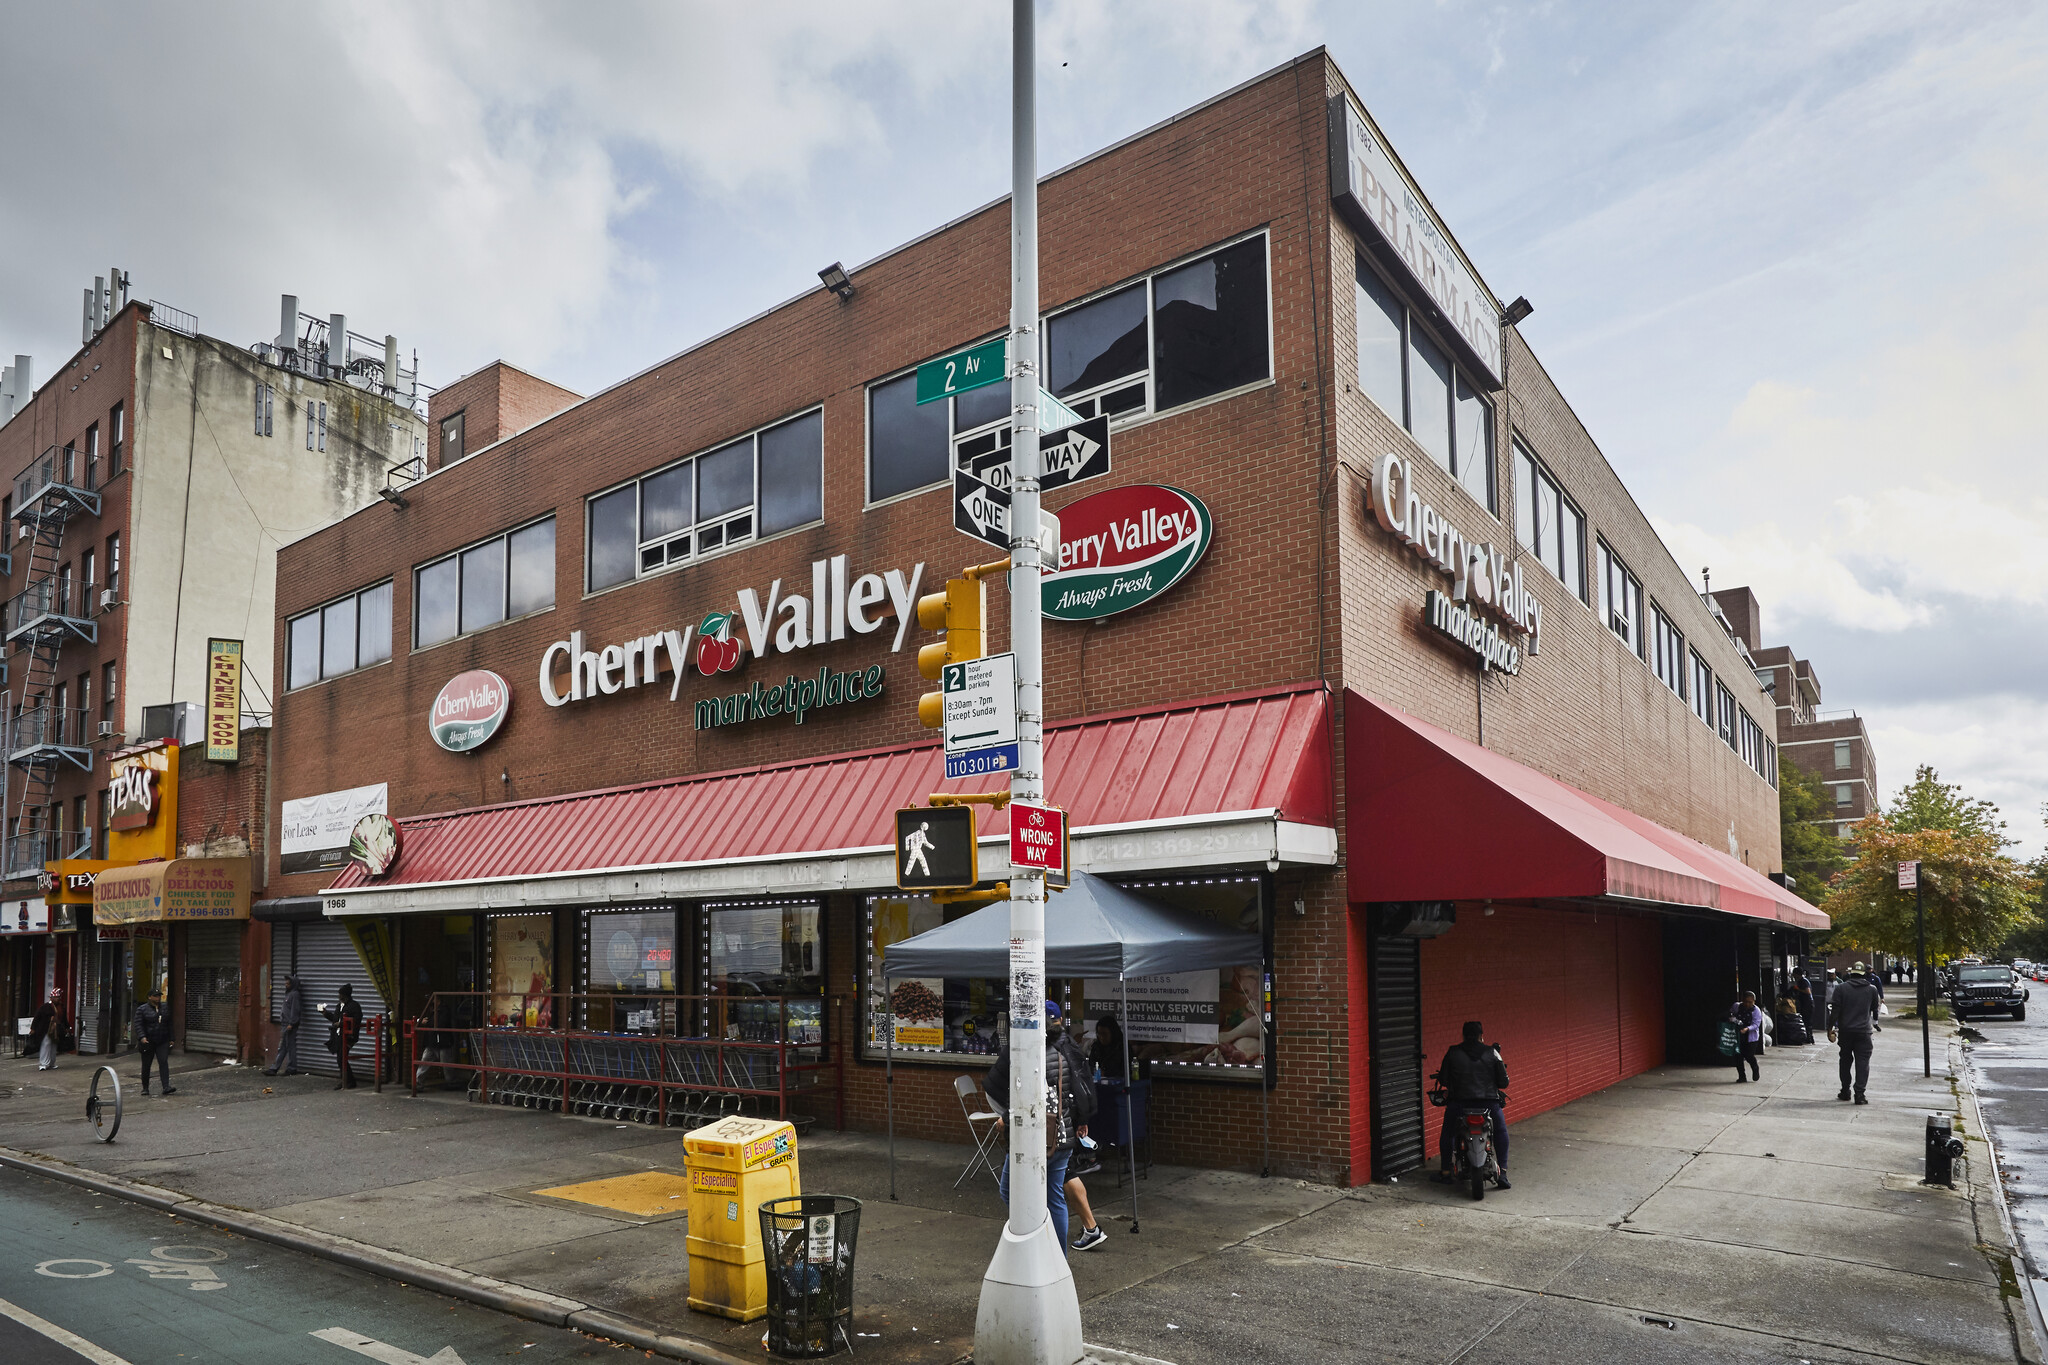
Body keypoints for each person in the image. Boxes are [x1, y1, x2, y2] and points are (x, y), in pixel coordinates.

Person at [985, 1000, 1096, 1254]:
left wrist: (1007, 1118)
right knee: (1055, 1196)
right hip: (1063, 1135)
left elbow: (1026, 1100)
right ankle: (1057, 1257)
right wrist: (1081, 1121)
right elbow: (1077, 1089)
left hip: (1034, 1138)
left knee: (1009, 1190)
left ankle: (1035, 1241)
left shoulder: (1029, 1055)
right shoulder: (1065, 1049)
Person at [1431, 1021, 1511, 1190]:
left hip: (1459, 1103)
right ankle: (1502, 1173)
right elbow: (1503, 1082)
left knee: (1448, 1132)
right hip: (1489, 1103)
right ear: (1482, 1035)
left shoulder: (1453, 1052)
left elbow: (1444, 1079)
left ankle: (1446, 1172)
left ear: (1463, 1035)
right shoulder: (1493, 1053)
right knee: (1501, 1131)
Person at [1828, 961, 1884, 1105]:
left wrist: (1830, 1028)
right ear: (1864, 974)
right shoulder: (1872, 989)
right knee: (1863, 1063)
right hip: (1864, 1032)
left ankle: (1845, 1090)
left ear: (1851, 973)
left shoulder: (1841, 989)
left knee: (1845, 1061)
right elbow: (1873, 1008)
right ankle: (1860, 1094)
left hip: (1846, 1031)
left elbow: (1835, 1011)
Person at [134, 990, 174, 1096]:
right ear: (149, 997)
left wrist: (172, 1038)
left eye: (159, 996)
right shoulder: (142, 1009)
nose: (158, 998)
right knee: (146, 1065)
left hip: (162, 1039)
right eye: (155, 996)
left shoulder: (164, 1007)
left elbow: (169, 1023)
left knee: (163, 1061)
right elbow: (138, 1024)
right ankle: (145, 1088)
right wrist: (142, 1037)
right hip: (149, 1040)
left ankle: (166, 1086)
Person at [264, 973, 304, 1076]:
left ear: (293, 984)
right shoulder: (289, 994)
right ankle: (281, 1068)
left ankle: (283, 1068)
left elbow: (295, 1010)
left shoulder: (294, 994)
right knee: (286, 1046)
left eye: (288, 983)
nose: (286, 985)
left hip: (289, 1025)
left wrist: (292, 1023)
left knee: (286, 1047)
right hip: (285, 1024)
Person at [334, 983, 365, 1090]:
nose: (338, 996)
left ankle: (349, 1081)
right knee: (340, 1058)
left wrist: (342, 1024)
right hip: (338, 1035)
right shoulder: (339, 1006)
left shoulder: (354, 1006)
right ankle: (345, 1080)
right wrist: (325, 1014)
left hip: (349, 1037)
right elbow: (335, 1019)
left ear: (344, 995)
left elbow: (356, 1021)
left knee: (342, 1058)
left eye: (340, 994)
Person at [1729, 991, 1764, 1082]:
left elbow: (1756, 1024)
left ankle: (1755, 1068)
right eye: (1745, 1001)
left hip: (1751, 1036)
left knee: (1749, 1055)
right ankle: (1742, 1076)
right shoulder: (1737, 1006)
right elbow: (1731, 1014)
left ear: (1754, 1002)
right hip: (1738, 1035)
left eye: (1750, 1002)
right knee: (1738, 1056)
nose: (1747, 1004)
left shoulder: (1756, 1010)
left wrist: (1747, 1029)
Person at [27, 989, 61, 1070]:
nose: (58, 999)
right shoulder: (45, 1007)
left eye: (59, 997)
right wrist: (33, 1028)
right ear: (51, 998)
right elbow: (37, 1017)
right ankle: (44, 1064)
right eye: (56, 997)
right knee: (46, 1045)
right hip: (45, 1029)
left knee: (53, 1046)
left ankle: (51, 1063)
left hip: (54, 1030)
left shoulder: (59, 1007)